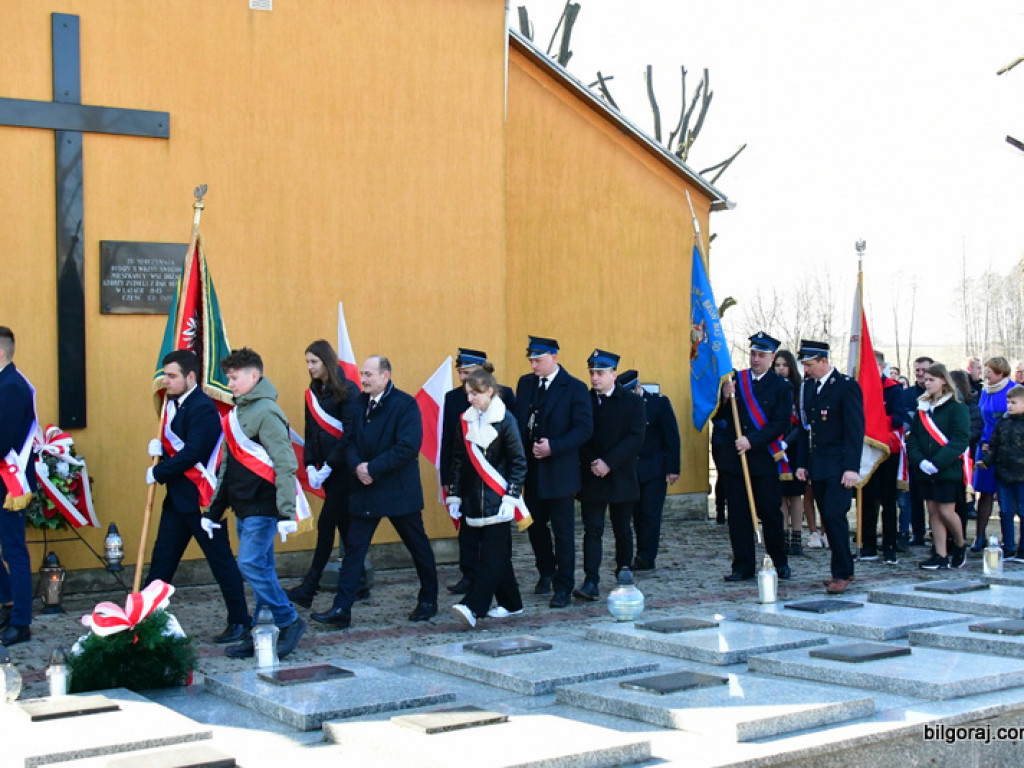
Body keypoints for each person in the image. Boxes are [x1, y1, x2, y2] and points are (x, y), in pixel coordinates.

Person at [311, 356, 439, 627]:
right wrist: (358, 465)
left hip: (397, 491)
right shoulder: (358, 405)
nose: (364, 379)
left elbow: (407, 447)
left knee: (418, 546)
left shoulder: (405, 405)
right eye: (362, 374)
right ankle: (341, 609)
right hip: (365, 489)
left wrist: (373, 468)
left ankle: (428, 599)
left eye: (369, 374)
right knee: (354, 550)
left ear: (385, 376)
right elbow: (350, 440)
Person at [204, 348, 306, 659]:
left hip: (263, 505)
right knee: (262, 568)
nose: (230, 384)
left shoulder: (266, 412)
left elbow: (284, 462)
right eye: (229, 378)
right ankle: (262, 633)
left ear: (254, 376)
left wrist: (287, 511)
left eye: (235, 378)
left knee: (249, 564)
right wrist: (214, 510)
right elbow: (227, 467)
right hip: (242, 505)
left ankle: (289, 620)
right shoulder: (235, 414)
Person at [145, 349, 250, 645]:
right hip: (177, 502)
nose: (166, 381)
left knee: (221, 564)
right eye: (165, 375)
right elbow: (178, 448)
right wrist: (161, 452)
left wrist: (160, 471)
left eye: (172, 376)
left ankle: (240, 621)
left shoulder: (202, 407)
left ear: (191, 376)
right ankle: (145, 620)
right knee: (162, 563)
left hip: (203, 501)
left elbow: (195, 451)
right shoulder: (171, 404)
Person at [513, 336, 593, 609]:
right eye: (531, 360)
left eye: (538, 360)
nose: (534, 365)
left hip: (559, 471)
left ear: (554, 357)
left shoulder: (574, 388)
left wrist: (554, 447)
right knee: (533, 525)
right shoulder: (525, 384)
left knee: (563, 532)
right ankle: (546, 569)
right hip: (532, 471)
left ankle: (563, 585)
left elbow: (584, 429)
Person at [446, 369, 527, 626]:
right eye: (468, 393)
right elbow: (458, 461)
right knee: (489, 557)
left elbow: (518, 462)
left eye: (476, 393)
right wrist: (455, 496)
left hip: (498, 501)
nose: (470, 398)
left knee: (491, 559)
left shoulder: (506, 420)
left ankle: (473, 607)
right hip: (471, 502)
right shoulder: (466, 420)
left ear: (489, 391)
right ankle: (512, 603)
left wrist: (511, 497)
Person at [286, 340, 363, 608]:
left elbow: (349, 433)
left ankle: (310, 586)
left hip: (344, 470)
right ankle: (360, 582)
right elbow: (311, 431)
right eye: (307, 362)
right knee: (345, 526)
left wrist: (329, 464)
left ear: (326, 361)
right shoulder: (313, 391)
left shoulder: (349, 391)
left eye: (314, 362)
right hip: (324, 470)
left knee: (326, 524)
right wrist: (309, 465)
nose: (309, 367)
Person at [714, 332, 791, 582]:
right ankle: (743, 566)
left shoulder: (781, 386)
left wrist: (752, 440)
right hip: (735, 460)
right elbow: (718, 417)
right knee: (738, 516)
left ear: (771, 357)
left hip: (763, 460)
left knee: (770, 513)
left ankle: (778, 562)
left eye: (761, 355)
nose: (755, 359)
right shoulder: (736, 380)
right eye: (753, 354)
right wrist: (725, 397)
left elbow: (779, 423)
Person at [439, 349, 515, 596]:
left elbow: (514, 445)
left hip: (495, 479)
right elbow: (448, 441)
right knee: (468, 533)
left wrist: (514, 487)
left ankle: (499, 584)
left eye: (467, 372)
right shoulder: (453, 398)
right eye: (460, 373)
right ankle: (469, 575)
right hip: (468, 479)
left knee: (497, 539)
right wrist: (448, 483)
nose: (463, 379)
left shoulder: (504, 394)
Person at [575, 350, 646, 600]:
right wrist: (593, 463)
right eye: (592, 373)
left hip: (620, 475)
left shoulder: (632, 402)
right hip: (592, 475)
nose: (595, 378)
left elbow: (635, 438)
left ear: (614, 374)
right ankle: (590, 580)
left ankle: (623, 571)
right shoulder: (583, 400)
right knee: (592, 530)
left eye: (600, 373)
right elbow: (579, 434)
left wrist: (609, 462)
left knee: (622, 528)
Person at [794, 339, 864, 595]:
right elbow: (805, 429)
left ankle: (842, 572)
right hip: (818, 464)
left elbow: (854, 430)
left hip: (839, 464)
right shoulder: (808, 388)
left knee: (835, 516)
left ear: (824, 361)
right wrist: (802, 462)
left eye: (810, 364)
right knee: (829, 518)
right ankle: (843, 568)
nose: (806, 370)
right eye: (804, 365)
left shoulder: (845, 387)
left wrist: (852, 468)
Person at [906, 363, 970, 570]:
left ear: (944, 380)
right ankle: (940, 554)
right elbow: (913, 438)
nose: (927, 382)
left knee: (946, 511)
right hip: (926, 469)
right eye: (925, 379)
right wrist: (921, 461)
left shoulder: (956, 406)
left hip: (946, 469)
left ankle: (960, 544)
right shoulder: (922, 406)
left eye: (932, 379)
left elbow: (960, 439)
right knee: (932, 511)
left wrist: (938, 462)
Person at [620, 370, 680, 571]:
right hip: (630, 469)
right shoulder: (622, 405)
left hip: (654, 468)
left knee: (650, 514)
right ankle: (638, 553)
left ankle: (647, 556)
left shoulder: (658, 403)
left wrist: (673, 468)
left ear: (638, 387)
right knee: (636, 515)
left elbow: (671, 436)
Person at [0, 327, 36, 646]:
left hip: (8, 484)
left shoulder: (11, 386)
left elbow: (3, 438)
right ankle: (7, 600)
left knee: (14, 549)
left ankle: (21, 621)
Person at [858, 350, 905, 564]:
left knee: (888, 501)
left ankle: (889, 545)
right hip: (866, 450)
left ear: (882, 367)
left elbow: (897, 419)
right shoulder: (859, 388)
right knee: (867, 500)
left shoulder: (893, 389)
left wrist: (875, 423)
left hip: (887, 450)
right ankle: (867, 545)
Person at [978, 384, 1024, 562]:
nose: (1009, 405)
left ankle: (1023, 549)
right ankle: (1009, 547)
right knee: (1005, 511)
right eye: (1008, 402)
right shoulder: (1002, 423)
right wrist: (987, 461)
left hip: (1022, 475)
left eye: (1014, 402)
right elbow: (994, 447)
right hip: (1003, 474)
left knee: (1022, 510)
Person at [970, 357, 1012, 551]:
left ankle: (1008, 540)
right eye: (984, 371)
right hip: (985, 446)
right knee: (984, 493)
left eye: (989, 372)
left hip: (1006, 449)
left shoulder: (1013, 390)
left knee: (1006, 496)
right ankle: (979, 536)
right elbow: (981, 419)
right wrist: (984, 442)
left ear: (1001, 373)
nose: (985, 375)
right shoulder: (985, 391)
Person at [773, 349, 811, 555]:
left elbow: (803, 423)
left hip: (794, 448)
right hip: (774, 447)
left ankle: (797, 536)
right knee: (779, 495)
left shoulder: (799, 389)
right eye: (777, 365)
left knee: (795, 494)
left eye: (784, 365)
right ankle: (783, 535)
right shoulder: (771, 388)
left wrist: (787, 442)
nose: (780, 369)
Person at [899, 356, 934, 548]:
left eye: (924, 370)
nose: (920, 374)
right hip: (912, 452)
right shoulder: (906, 395)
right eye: (917, 370)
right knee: (913, 496)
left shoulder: (940, 395)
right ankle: (917, 532)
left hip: (934, 454)